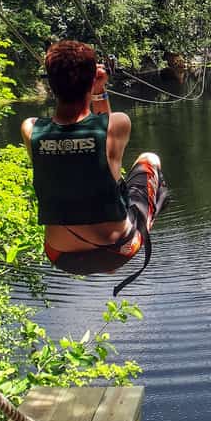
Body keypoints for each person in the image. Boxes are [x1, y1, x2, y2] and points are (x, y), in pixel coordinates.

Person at [21, 40, 168, 294]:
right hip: (120, 250)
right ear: (91, 81)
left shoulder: (31, 129)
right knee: (149, 159)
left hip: (60, 256)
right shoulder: (118, 124)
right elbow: (104, 127)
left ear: (51, 84)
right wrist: (100, 91)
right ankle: (119, 232)